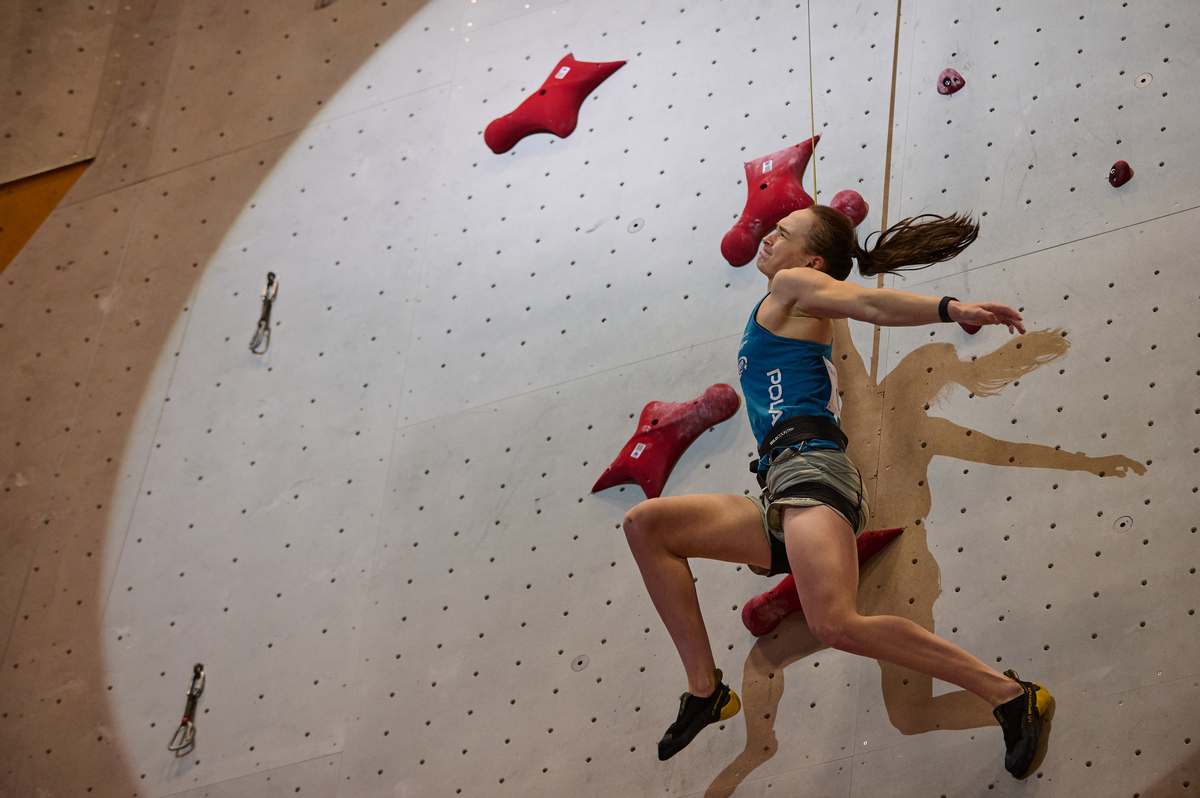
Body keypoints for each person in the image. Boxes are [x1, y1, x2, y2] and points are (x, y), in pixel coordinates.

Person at [621, 206, 1053, 778]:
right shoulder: (780, 303)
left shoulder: (792, 287)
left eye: (783, 232)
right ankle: (706, 692)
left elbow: (871, 305)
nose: (768, 235)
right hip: (781, 483)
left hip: (813, 471)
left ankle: (1012, 695)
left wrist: (951, 309)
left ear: (812, 261)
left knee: (835, 624)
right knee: (647, 525)